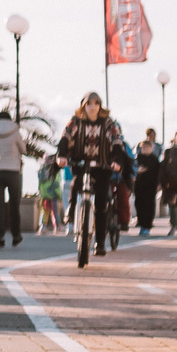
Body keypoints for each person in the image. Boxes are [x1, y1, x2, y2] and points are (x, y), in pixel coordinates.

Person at [56, 96, 125, 260]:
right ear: (83, 106)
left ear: (100, 106)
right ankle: (71, 212)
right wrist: (61, 156)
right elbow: (64, 139)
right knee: (76, 183)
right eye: (89, 104)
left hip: (102, 166)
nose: (92, 107)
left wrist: (116, 160)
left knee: (102, 203)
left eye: (96, 103)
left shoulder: (108, 123)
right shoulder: (75, 121)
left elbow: (117, 143)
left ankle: (100, 243)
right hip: (81, 163)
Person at [0, 109, 24, 249]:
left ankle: (1, 238)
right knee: (14, 205)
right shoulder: (15, 132)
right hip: (13, 172)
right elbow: (24, 149)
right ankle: (16, 236)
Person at [137, 129, 164, 239]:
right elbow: (132, 169)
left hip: (150, 186)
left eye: (147, 148)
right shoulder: (137, 158)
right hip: (139, 186)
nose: (145, 150)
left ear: (151, 148)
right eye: (143, 148)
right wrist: (137, 171)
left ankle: (147, 226)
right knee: (139, 204)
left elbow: (158, 173)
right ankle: (141, 223)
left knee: (149, 205)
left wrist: (159, 183)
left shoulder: (154, 160)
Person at [165, 132, 177, 236]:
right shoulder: (169, 152)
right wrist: (162, 182)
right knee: (171, 204)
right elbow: (164, 167)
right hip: (171, 181)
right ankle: (173, 226)